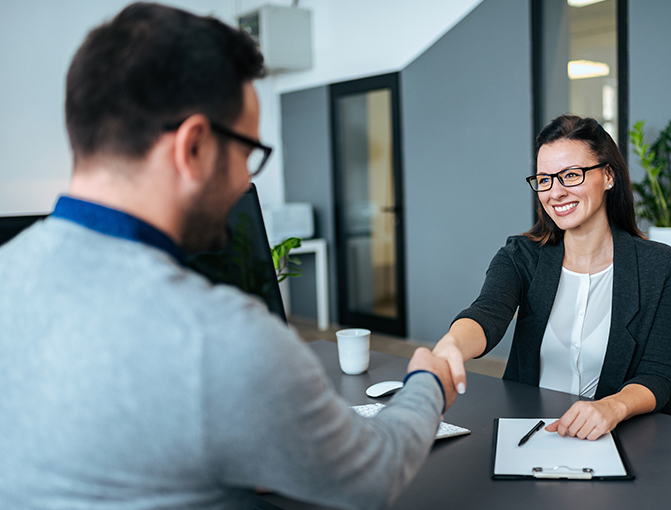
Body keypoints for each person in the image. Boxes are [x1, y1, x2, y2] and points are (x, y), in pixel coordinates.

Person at [0, 4, 456, 510]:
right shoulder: (216, 339)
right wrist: (426, 384)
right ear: (193, 146)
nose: (246, 179)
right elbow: (373, 474)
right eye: (245, 152)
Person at [433, 114, 671, 441]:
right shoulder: (521, 256)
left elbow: (659, 374)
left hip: (618, 435)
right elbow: (487, 314)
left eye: (571, 175)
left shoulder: (658, 265)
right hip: (531, 433)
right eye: (544, 179)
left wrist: (612, 407)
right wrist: (451, 346)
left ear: (608, 175)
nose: (555, 192)